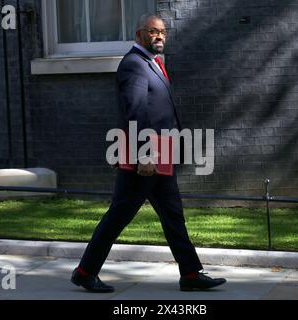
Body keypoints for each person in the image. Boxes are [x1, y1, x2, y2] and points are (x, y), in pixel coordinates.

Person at [71, 14, 226, 293]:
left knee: (172, 214)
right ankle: (85, 272)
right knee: (120, 214)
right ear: (139, 34)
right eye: (153, 32)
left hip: (161, 154)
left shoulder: (151, 63)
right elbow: (135, 110)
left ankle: (190, 274)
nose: (159, 37)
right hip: (146, 156)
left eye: (163, 32)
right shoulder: (133, 64)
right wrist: (145, 154)